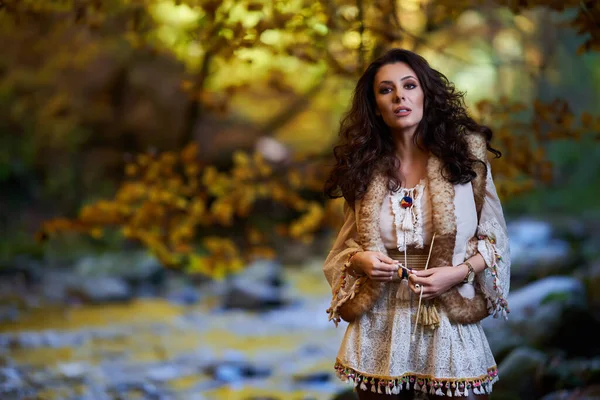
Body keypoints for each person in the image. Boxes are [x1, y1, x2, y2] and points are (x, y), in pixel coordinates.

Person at [322, 48, 511, 399]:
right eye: (385, 90)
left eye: (409, 85)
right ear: (375, 104)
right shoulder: (365, 166)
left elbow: (495, 237)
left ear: (426, 92)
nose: (399, 97)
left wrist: (457, 273)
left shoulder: (465, 155)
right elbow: (345, 248)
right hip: (381, 321)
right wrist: (359, 261)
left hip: (447, 317)